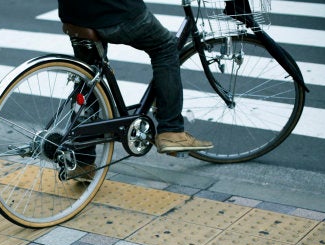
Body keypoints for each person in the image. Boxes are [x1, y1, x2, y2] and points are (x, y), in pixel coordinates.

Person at [58, 0, 213, 154]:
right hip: (113, 10)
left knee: (89, 74)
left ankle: (82, 161)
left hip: (73, 12)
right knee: (165, 47)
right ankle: (171, 131)